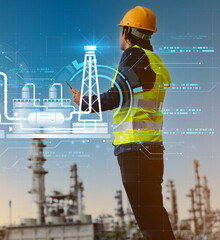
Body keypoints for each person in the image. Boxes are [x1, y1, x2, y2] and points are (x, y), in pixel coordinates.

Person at [69, 6, 176, 240]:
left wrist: (84, 102)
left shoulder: (134, 56)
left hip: (135, 150)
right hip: (153, 149)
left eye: (121, 30)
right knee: (155, 215)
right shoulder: (155, 62)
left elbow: (117, 95)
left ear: (127, 31)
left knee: (149, 221)